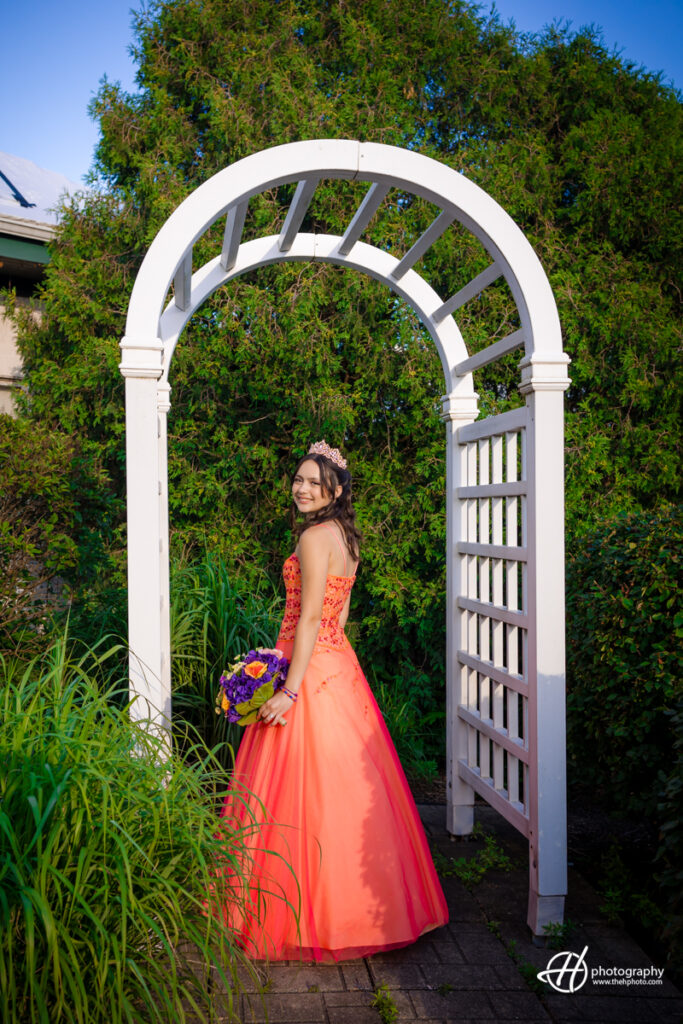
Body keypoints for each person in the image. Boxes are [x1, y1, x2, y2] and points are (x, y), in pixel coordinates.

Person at [219, 440, 448, 961]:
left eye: (314, 483)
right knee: (346, 788)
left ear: (336, 490)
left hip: (307, 667)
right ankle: (366, 905)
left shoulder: (313, 538)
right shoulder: (347, 538)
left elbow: (307, 619)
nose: (302, 489)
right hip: (338, 665)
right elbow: (338, 621)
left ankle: (301, 911)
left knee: (296, 790)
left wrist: (290, 688)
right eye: (298, 480)